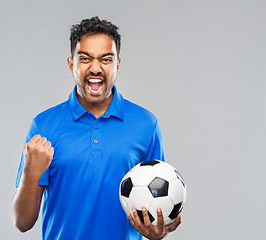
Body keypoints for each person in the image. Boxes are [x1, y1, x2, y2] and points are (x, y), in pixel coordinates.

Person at [12, 16, 181, 240]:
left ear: (117, 64)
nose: (95, 68)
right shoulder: (43, 126)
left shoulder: (146, 125)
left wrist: (158, 231)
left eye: (106, 59)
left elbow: (156, 203)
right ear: (71, 64)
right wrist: (30, 173)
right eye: (85, 58)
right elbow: (22, 222)